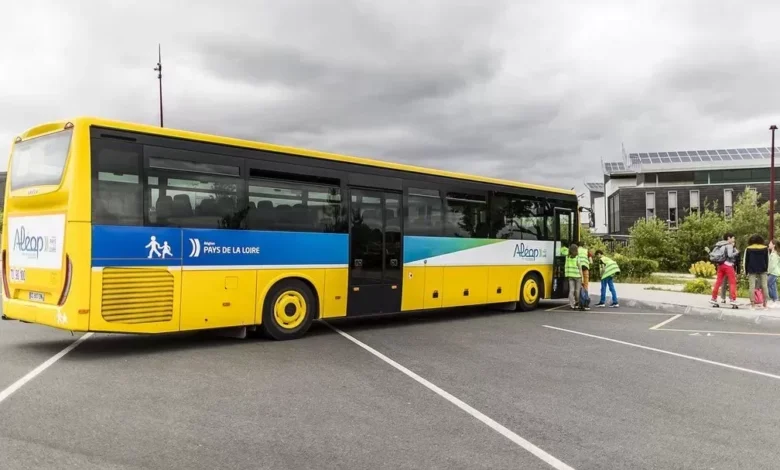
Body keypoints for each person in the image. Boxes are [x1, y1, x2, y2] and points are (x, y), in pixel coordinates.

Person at [710, 233, 739, 307]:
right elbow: (730, 255)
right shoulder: (729, 245)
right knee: (732, 282)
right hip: (728, 265)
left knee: (718, 282)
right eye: (733, 238)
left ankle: (713, 298)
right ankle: (733, 299)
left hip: (720, 265)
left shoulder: (720, 244)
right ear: (729, 238)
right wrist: (736, 252)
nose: (734, 239)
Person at [743, 234, 769, 309]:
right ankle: (765, 304)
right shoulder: (765, 248)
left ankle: (753, 304)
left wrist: (746, 271)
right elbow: (767, 260)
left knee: (752, 286)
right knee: (764, 286)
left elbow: (746, 261)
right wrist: (767, 269)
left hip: (752, 269)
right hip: (763, 269)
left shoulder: (748, 249)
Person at [565, 242, 583, 310]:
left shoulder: (567, 257)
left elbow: (566, 266)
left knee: (571, 290)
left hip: (570, 275)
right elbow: (580, 268)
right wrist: (582, 277)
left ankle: (572, 304)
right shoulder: (577, 257)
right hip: (577, 276)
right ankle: (577, 304)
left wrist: (566, 274)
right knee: (577, 290)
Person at [577, 241, 591, 310]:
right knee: (586, 286)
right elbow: (591, 261)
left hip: (578, 269)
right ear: (583, 245)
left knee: (580, 286)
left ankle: (580, 303)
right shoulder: (586, 251)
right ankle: (586, 304)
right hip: (585, 269)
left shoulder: (576, 250)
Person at [769, 240, 780, 307]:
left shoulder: (775, 254)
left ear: (774, 245)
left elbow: (772, 265)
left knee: (768, 284)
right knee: (773, 286)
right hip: (774, 272)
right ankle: (775, 300)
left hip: (774, 272)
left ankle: (774, 299)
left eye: (770, 243)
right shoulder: (773, 253)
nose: (769, 244)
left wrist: (768, 271)